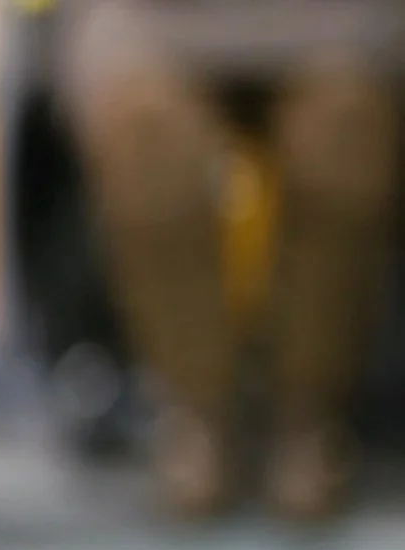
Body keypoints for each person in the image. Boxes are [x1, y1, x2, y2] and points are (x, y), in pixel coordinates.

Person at [58, 0, 403, 523]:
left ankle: (308, 416)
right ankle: (198, 411)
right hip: (153, 19)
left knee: (344, 125)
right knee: (146, 131)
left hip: (340, 18)